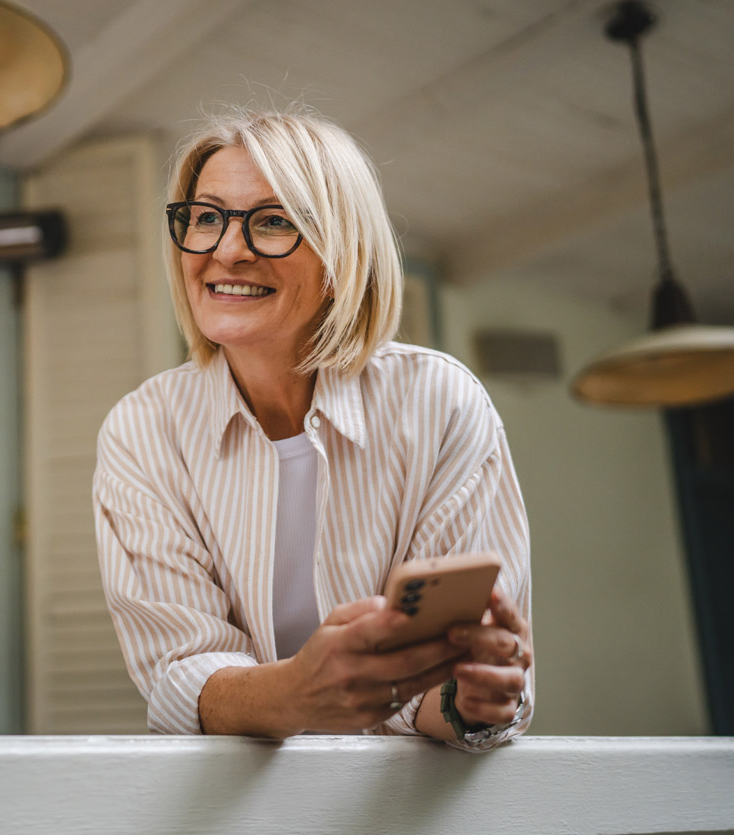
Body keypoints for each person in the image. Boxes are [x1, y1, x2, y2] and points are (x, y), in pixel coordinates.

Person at [93, 106, 533, 749]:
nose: (227, 250)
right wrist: (299, 690)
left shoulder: (440, 403)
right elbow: (181, 677)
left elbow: (444, 694)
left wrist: (472, 701)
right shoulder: (143, 430)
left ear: (341, 255)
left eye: (273, 221)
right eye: (207, 217)